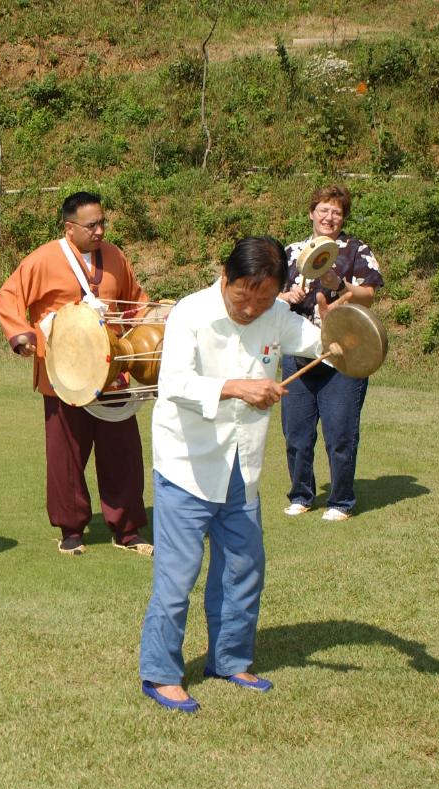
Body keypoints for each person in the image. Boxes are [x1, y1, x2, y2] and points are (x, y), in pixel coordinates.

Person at [139, 237, 330, 713]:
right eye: (244, 294)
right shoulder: (191, 312)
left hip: (242, 466)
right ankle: (161, 674)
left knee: (245, 570)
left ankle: (229, 660)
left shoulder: (277, 316)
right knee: (177, 576)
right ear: (225, 277)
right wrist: (237, 388)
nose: (251, 307)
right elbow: (174, 384)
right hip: (187, 465)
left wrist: (341, 323)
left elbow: (324, 344)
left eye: (264, 298)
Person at [0, 192, 153, 557]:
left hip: (114, 370)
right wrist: (21, 335)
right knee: (66, 454)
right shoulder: (43, 259)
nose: (99, 230)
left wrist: (146, 328)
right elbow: (8, 296)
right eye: (91, 225)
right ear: (70, 227)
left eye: (102, 223)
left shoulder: (114, 256)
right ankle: (71, 529)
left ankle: (128, 528)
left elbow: (136, 300)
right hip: (64, 374)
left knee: (123, 450)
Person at [278, 185, 383, 522]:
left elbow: (367, 295)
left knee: (340, 433)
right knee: (296, 433)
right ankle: (301, 495)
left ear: (343, 218)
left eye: (337, 212)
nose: (329, 217)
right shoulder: (290, 252)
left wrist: (339, 285)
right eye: (323, 209)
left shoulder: (356, 250)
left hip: (344, 355)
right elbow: (267, 294)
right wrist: (284, 297)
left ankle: (341, 502)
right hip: (298, 351)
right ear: (311, 213)